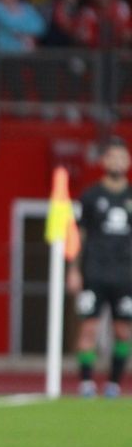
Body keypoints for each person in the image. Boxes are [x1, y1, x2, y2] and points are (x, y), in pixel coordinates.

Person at [69, 140, 132, 398]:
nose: (116, 161)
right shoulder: (90, 196)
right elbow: (79, 235)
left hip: (125, 275)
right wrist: (73, 269)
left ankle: (114, 383)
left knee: (123, 331)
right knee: (89, 328)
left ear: (127, 162)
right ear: (104, 161)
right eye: (111, 157)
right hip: (94, 272)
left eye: (121, 157)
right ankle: (85, 383)